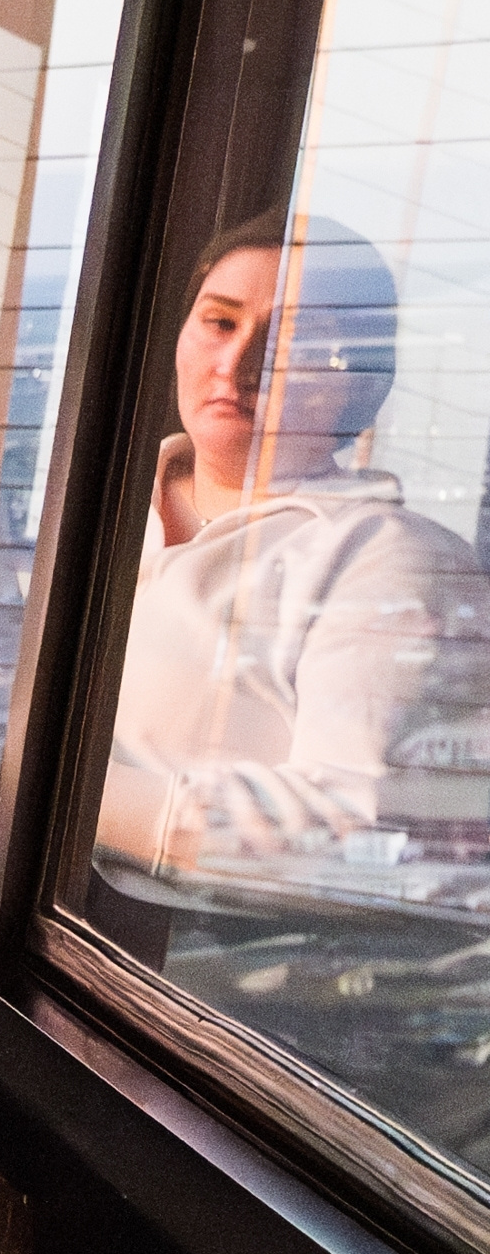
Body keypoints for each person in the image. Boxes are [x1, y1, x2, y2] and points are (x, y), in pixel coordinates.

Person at [102, 210, 490, 869]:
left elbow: (345, 824)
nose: (236, 363)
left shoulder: (391, 556)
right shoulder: (90, 512)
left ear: (364, 385)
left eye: (293, 340)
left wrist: (59, 790)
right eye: (220, 322)